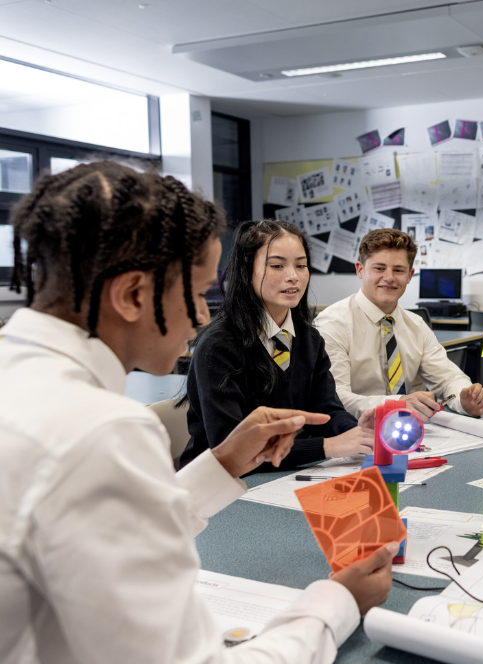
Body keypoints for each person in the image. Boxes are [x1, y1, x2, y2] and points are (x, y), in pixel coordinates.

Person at [0, 162, 396, 663]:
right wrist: (336, 602)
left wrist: (224, 463)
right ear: (133, 295)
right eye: (195, 293)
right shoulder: (100, 433)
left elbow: (103, 529)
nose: (203, 315)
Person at [182, 219, 372, 471]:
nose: (293, 276)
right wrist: (328, 446)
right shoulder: (218, 345)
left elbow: (327, 409)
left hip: (289, 473)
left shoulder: (309, 339)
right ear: (247, 270)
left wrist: (357, 434)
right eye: (276, 266)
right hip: (222, 484)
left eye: (301, 265)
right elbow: (232, 446)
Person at [314, 228, 483, 420]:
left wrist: (464, 400)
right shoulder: (333, 323)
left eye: (398, 270)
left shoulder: (416, 325)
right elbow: (335, 397)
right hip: (350, 432)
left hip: (405, 431)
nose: (389, 277)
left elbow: (448, 379)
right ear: (360, 269)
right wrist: (396, 404)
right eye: (379, 268)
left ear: (409, 275)